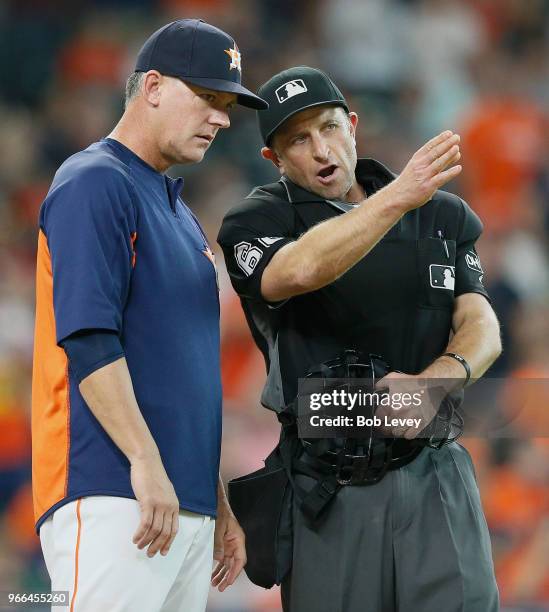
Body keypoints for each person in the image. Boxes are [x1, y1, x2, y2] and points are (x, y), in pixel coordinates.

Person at [217, 66, 501, 612]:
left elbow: (481, 323)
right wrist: (394, 199)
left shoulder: (441, 213)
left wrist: (434, 383)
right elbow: (294, 273)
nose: (321, 149)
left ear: (352, 125)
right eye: (298, 140)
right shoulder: (256, 220)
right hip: (331, 487)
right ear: (274, 160)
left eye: (328, 128)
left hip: (435, 469)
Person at [32, 19, 267, 612]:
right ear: (153, 86)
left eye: (228, 103)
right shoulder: (94, 182)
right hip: (112, 487)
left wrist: (212, 499)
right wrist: (144, 460)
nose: (222, 117)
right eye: (209, 97)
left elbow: (184, 373)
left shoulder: (179, 213)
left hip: (176, 498)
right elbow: (88, 340)